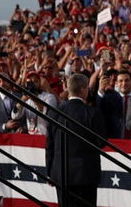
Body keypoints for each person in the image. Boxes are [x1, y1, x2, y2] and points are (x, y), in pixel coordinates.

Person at [45, 73, 105, 207]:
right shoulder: (91, 112)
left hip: (60, 173)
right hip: (86, 174)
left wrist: (49, 172)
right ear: (83, 89)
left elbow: (49, 145)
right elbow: (101, 142)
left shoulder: (54, 113)